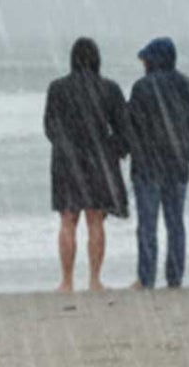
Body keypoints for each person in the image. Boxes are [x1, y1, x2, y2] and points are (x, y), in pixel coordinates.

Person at [43, 37, 129, 294]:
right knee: (95, 221)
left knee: (68, 220)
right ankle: (94, 281)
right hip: (99, 161)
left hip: (66, 162)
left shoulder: (57, 88)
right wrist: (111, 150)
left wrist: (65, 147)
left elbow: (50, 126)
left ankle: (66, 281)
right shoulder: (109, 89)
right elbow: (123, 129)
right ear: (96, 60)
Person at [124, 37, 189, 289]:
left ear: (152, 60)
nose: (143, 65)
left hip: (147, 168)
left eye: (145, 60)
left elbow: (130, 127)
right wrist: (185, 146)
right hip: (178, 166)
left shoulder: (142, 88)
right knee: (175, 224)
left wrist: (134, 149)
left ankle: (146, 278)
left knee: (147, 226)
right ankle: (175, 277)